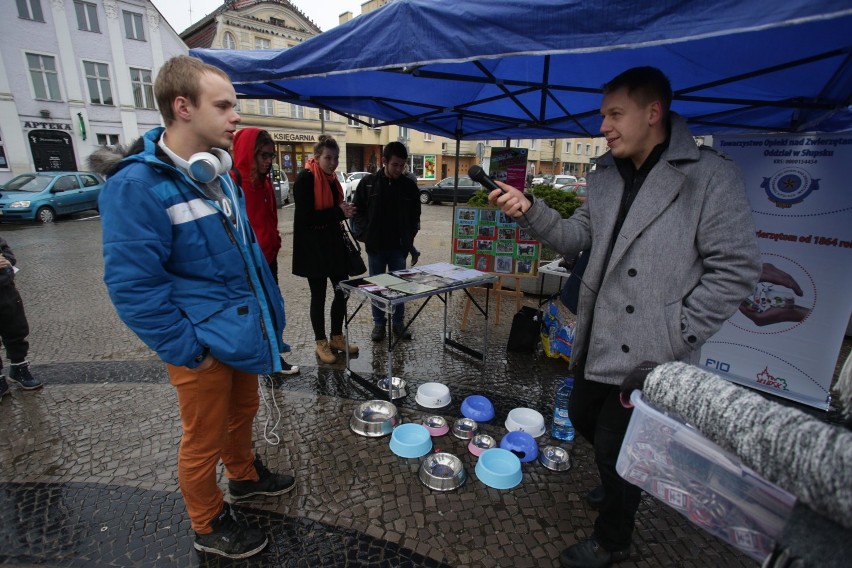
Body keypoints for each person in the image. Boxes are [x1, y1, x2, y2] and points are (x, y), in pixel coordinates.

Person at [488, 66, 761, 568]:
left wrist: (679, 332)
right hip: (598, 337)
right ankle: (621, 480)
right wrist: (527, 209)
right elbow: (575, 239)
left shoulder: (709, 177)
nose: (603, 127)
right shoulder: (604, 175)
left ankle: (613, 537)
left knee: (615, 445)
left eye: (615, 114)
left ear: (653, 112)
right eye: (602, 115)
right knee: (581, 416)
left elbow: (738, 269)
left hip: (653, 353)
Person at [92, 55, 294, 559]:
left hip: (240, 332)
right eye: (223, 105)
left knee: (242, 410)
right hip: (201, 341)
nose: (235, 117)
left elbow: (245, 256)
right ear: (183, 107)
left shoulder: (222, 175)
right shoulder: (136, 186)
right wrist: (189, 349)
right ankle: (207, 522)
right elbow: (133, 287)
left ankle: (244, 477)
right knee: (202, 438)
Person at [231, 127, 299, 386]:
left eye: (271, 155)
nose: (269, 161)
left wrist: (275, 241)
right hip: (249, 263)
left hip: (267, 258)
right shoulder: (234, 182)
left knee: (271, 309)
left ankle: (271, 359)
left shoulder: (265, 181)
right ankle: (267, 362)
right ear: (250, 154)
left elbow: (269, 217)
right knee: (259, 313)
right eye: (263, 155)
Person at [292, 134, 359, 364]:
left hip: (332, 244)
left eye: (336, 158)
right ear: (317, 157)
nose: (333, 162)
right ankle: (320, 342)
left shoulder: (331, 181)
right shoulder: (305, 179)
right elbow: (305, 217)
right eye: (328, 158)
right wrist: (339, 212)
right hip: (313, 248)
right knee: (318, 296)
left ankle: (336, 336)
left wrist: (344, 211)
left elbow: (332, 211)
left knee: (343, 290)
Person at [352, 142, 421, 342]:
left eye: (402, 165)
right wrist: (367, 234)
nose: (399, 169)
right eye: (395, 165)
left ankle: (398, 323)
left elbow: (415, 216)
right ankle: (379, 324)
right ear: (384, 162)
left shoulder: (409, 186)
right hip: (376, 247)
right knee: (378, 287)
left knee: (400, 286)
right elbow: (358, 212)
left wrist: (409, 239)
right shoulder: (368, 183)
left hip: (399, 248)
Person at [0, 236, 43, 398]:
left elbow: (9, 255)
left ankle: (18, 368)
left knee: (16, 329)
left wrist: (6, 259)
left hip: (7, 292)